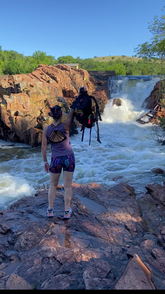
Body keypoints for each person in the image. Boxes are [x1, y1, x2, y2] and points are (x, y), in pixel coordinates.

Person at [41, 105, 75, 219]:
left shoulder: (46, 129)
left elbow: (43, 148)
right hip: (68, 158)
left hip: (55, 160)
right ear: (61, 115)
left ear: (51, 115)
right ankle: (66, 212)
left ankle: (50, 210)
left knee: (52, 184)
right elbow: (72, 113)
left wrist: (45, 162)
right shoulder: (65, 126)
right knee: (68, 186)